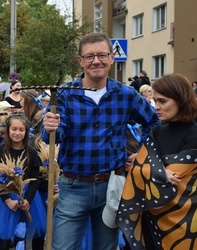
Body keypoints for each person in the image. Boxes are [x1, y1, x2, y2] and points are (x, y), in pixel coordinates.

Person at [41, 32, 160, 250]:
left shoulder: (126, 95)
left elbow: (153, 123)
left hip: (112, 187)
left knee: (106, 248)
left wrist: (142, 155)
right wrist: (50, 126)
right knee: (62, 248)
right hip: (73, 186)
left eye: (102, 55)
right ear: (80, 61)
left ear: (112, 58)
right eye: (89, 56)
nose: (96, 61)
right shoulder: (65, 95)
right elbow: (53, 136)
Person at [117, 73, 197, 249]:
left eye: (163, 101)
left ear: (180, 100)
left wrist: (150, 167)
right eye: (156, 101)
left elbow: (164, 178)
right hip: (150, 216)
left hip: (185, 221)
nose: (156, 107)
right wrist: (157, 170)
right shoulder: (157, 131)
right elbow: (143, 169)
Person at [0, 114, 46, 250]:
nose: (17, 133)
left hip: (26, 198)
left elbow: (34, 180)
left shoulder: (31, 152)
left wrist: (28, 200)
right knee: (5, 237)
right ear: (8, 130)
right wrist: (7, 200)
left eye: (21, 130)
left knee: (21, 235)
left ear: (26, 132)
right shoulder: (1, 150)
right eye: (14, 129)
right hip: (6, 198)